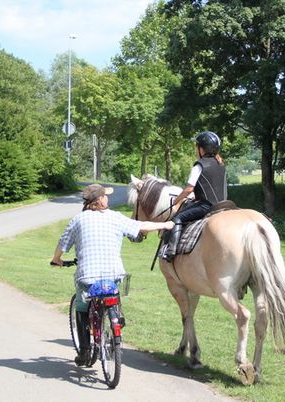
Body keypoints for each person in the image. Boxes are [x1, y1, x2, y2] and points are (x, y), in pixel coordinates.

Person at [51, 183, 174, 366]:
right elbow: (141, 226)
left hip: (88, 276)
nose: (107, 198)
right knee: (112, 292)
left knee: (81, 306)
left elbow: (62, 244)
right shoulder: (115, 218)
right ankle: (116, 316)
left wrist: (57, 259)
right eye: (105, 196)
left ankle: (84, 350)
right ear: (99, 200)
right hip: (113, 274)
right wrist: (165, 223)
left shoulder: (78, 220)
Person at [160, 131, 228, 262]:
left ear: (201, 148)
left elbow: (189, 189)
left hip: (206, 206)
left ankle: (171, 250)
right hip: (224, 204)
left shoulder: (199, 165)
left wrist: (176, 200)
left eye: (197, 147)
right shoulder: (221, 164)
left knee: (178, 217)